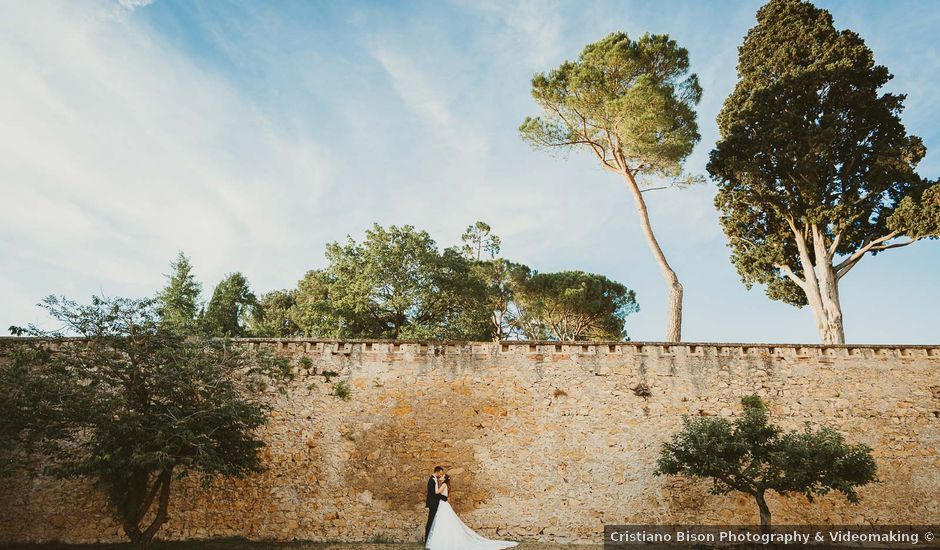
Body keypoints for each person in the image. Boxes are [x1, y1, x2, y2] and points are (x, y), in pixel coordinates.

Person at [424, 467, 518, 550]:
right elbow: (441, 495)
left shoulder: (443, 485)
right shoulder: (440, 483)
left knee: (444, 523)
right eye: (440, 474)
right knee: (442, 523)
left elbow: (437, 492)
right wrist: (437, 483)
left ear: (444, 479)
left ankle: (442, 540)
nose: (440, 476)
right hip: (442, 505)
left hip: (443, 506)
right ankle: (440, 539)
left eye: (442, 476)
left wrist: (437, 483)